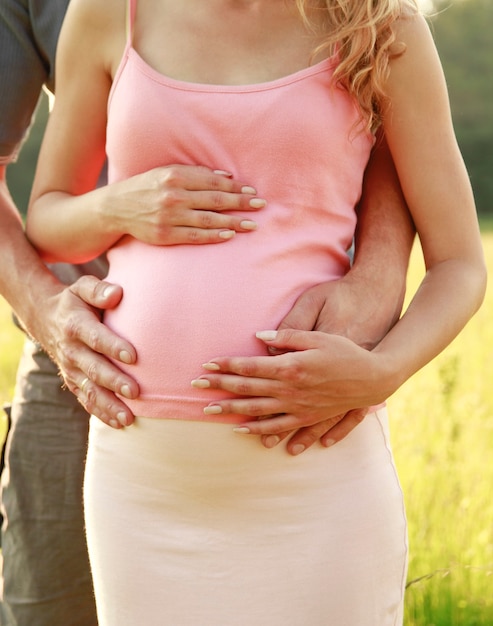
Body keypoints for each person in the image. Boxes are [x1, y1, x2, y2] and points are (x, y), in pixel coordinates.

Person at [25, 0, 486, 624]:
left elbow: (459, 263)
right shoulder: (109, 13)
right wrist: (117, 209)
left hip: (316, 475)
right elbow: (49, 219)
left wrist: (383, 372)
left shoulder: (380, 28)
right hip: (145, 485)